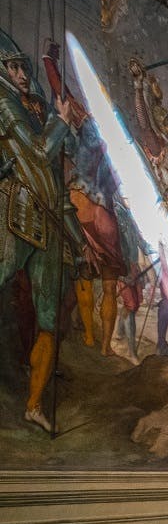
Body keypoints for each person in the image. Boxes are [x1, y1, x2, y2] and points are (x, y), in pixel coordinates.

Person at [0, 30, 84, 431]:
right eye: (13, 66)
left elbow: (56, 183)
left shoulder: (32, 108)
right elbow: (35, 154)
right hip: (16, 208)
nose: (21, 73)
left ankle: (35, 403)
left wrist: (78, 240)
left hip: (48, 221)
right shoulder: (5, 104)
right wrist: (60, 122)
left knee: (49, 320)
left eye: (23, 66)